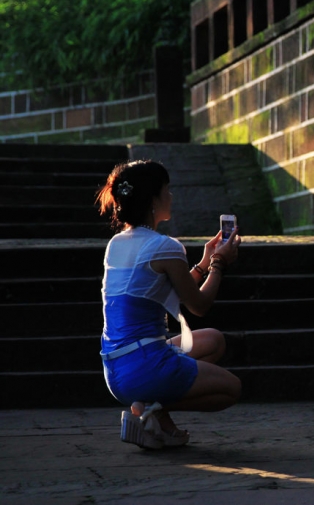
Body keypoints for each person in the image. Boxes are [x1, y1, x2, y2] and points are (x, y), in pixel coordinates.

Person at [96, 159, 243, 449]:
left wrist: (202, 262)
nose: (171, 197)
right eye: (166, 190)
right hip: (146, 364)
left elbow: (162, 290)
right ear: (153, 200)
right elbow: (198, 305)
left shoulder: (117, 243)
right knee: (232, 388)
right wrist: (219, 264)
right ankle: (152, 410)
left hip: (116, 368)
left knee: (213, 340)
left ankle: (152, 413)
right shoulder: (165, 246)